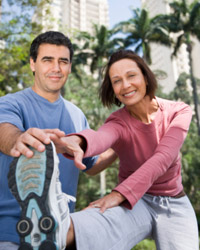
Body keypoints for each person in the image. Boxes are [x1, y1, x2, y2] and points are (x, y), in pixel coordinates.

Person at [57, 49, 199, 250]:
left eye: (131, 76)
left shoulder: (178, 111)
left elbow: (163, 158)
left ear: (146, 77)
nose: (125, 85)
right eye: (116, 81)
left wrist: (119, 194)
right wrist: (77, 141)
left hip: (173, 204)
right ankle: (52, 230)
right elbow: (100, 137)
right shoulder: (118, 122)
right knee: (81, 228)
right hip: (134, 203)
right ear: (112, 89)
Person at [0, 31, 116, 250]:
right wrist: (19, 139)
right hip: (11, 236)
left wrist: (120, 146)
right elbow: (4, 131)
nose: (56, 68)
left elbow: (90, 165)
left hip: (59, 235)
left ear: (70, 67)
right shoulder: (10, 103)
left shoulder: (77, 115)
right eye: (47, 60)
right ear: (33, 64)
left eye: (63, 61)